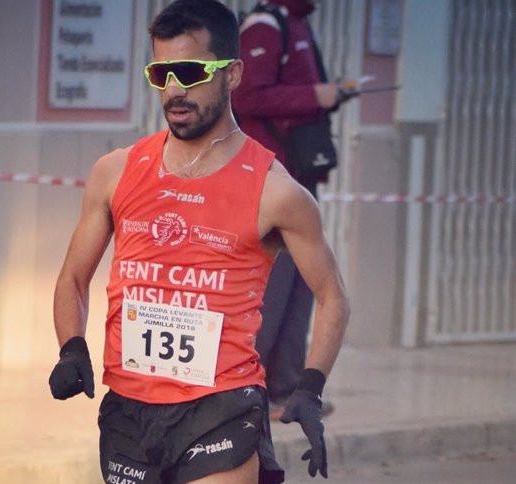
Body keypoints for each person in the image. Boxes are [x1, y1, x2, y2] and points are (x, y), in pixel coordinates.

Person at [48, 0, 349, 482]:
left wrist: (309, 388)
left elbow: (332, 295)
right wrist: (72, 348)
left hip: (220, 410)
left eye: (189, 72)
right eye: (161, 73)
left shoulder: (275, 190)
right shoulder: (116, 172)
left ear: (232, 74)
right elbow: (73, 278)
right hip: (128, 410)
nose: (174, 90)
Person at [232, 0, 351, 420]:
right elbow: (246, 96)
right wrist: (314, 96)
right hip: (271, 176)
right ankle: (250, 391)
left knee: (301, 287)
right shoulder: (266, 25)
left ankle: (283, 388)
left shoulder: (298, 25)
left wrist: (329, 97)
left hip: (299, 175)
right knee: (273, 288)